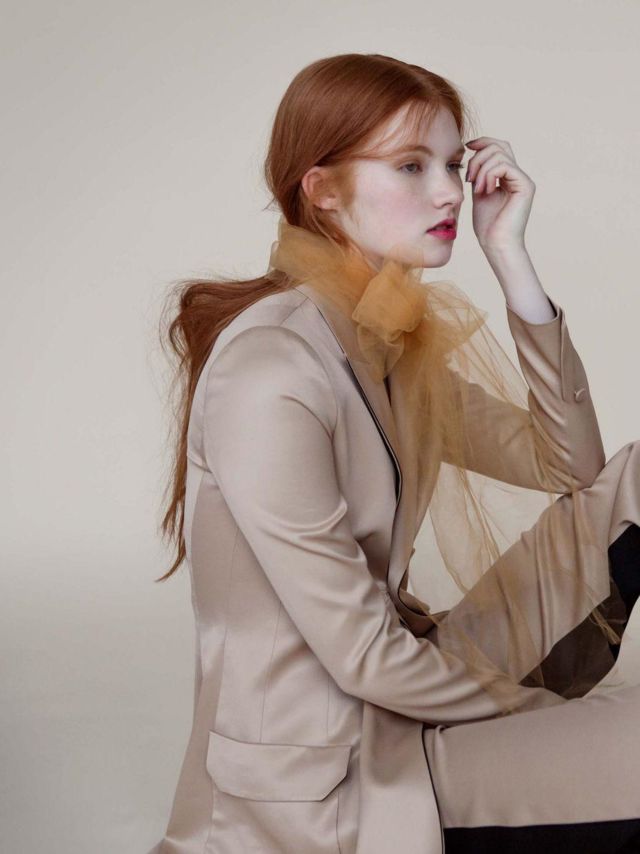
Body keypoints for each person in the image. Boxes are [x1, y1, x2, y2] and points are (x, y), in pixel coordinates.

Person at [147, 53, 640, 854]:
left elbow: (571, 468)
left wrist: (512, 262)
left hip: (405, 679)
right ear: (322, 189)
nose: (448, 192)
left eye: (450, 164)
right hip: (339, 766)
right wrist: (541, 717)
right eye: (411, 166)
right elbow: (363, 660)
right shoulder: (273, 371)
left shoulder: (383, 336)